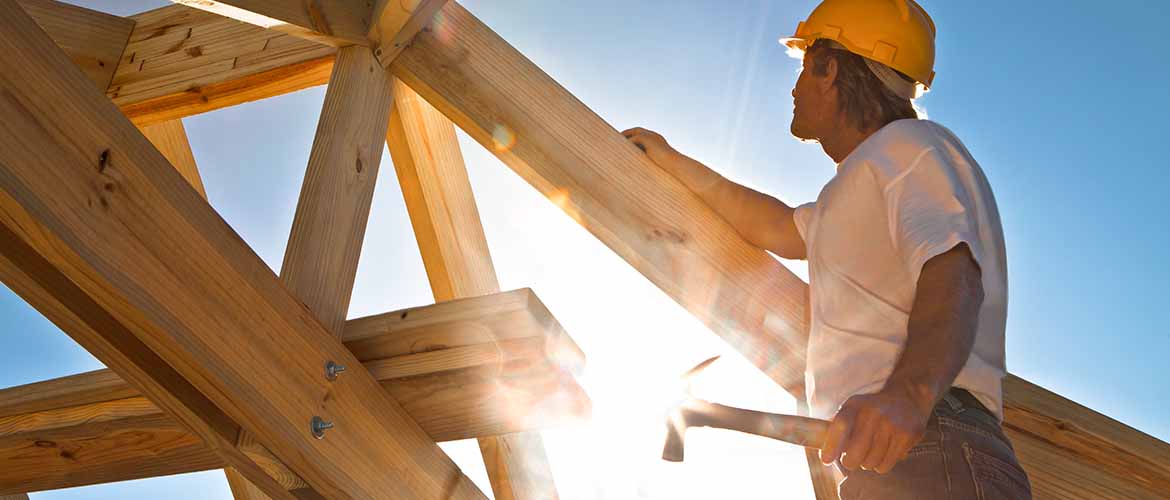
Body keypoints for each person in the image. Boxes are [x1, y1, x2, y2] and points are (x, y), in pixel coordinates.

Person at [624, 1, 1032, 498]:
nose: (794, 88)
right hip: (894, 452)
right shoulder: (860, 184)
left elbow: (954, 270)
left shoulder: (907, 147)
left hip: (928, 441)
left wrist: (908, 396)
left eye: (802, 69)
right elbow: (776, 226)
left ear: (830, 67)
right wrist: (671, 160)